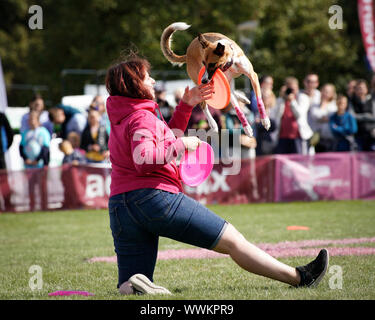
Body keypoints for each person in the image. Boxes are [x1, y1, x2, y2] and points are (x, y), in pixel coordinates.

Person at [105, 54, 329, 295]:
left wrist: (186, 105)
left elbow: (164, 139)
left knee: (131, 281)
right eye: (147, 77)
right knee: (233, 241)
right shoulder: (142, 116)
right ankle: (301, 277)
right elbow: (144, 159)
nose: (153, 80)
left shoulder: (124, 116)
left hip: (121, 207)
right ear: (135, 84)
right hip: (155, 199)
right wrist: (183, 145)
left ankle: (135, 289)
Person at [271, 77, 313, 154]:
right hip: (282, 137)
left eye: (293, 89)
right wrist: (282, 97)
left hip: (298, 137)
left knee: (298, 162)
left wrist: (292, 100)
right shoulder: (280, 100)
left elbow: (299, 114)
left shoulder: (303, 98)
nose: (291, 91)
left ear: (297, 87)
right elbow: (274, 115)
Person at [309, 84, 337, 152]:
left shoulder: (334, 105)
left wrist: (323, 118)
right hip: (317, 138)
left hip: (331, 138)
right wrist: (323, 106)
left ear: (332, 93)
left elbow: (331, 117)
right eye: (323, 91)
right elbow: (315, 116)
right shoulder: (315, 104)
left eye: (327, 92)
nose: (325, 93)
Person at [350, 79, 371, 151]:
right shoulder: (351, 102)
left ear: (367, 89)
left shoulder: (372, 101)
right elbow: (352, 116)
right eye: (358, 89)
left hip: (371, 135)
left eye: (362, 88)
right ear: (355, 91)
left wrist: (359, 116)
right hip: (358, 136)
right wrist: (367, 116)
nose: (360, 90)